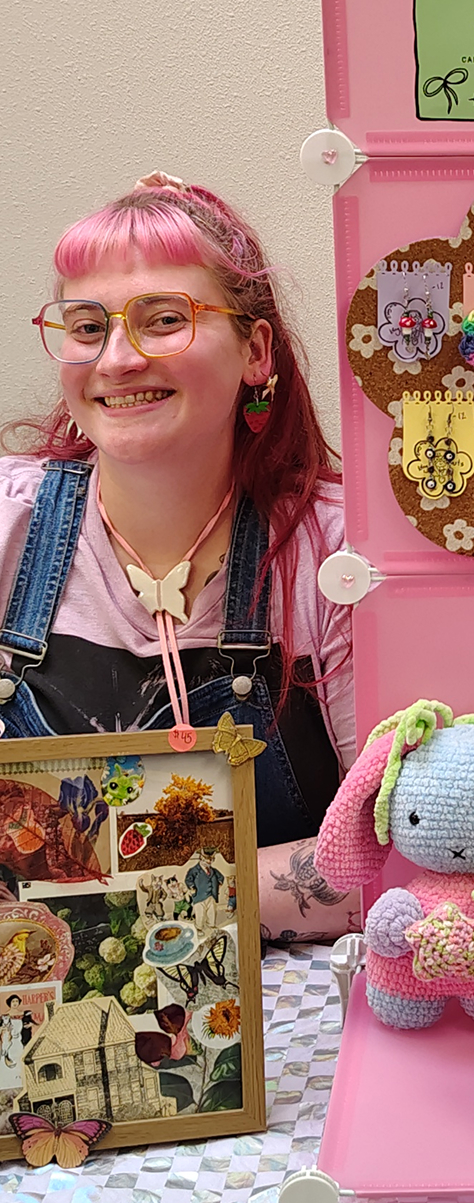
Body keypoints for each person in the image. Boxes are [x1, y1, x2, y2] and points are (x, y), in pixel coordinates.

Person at [3, 173, 359, 941]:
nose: (118, 359)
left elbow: (408, 853)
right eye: (87, 326)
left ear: (255, 350)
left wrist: (111, 901)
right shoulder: (7, 527)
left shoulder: (336, 558)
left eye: (163, 320)